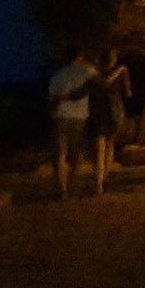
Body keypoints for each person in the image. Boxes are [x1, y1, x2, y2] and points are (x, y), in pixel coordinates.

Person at [48, 50, 98, 199]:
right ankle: (71, 184)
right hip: (79, 117)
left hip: (60, 116)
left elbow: (52, 99)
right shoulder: (88, 70)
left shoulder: (57, 75)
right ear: (80, 56)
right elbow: (98, 84)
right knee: (76, 153)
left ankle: (63, 190)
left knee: (60, 154)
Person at [86, 50, 132, 195]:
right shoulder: (99, 74)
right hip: (107, 114)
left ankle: (101, 181)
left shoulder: (94, 73)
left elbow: (127, 92)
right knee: (105, 146)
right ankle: (101, 181)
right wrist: (121, 71)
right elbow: (108, 84)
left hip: (105, 114)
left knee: (104, 146)